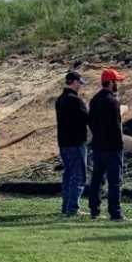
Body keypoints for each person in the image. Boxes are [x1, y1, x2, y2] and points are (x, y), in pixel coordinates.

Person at [86, 68, 126, 220]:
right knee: (115, 181)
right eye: (116, 82)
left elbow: (90, 122)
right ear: (110, 83)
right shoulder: (113, 101)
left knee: (97, 179)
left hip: (98, 145)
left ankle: (94, 210)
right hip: (112, 147)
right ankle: (115, 212)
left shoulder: (94, 100)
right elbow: (116, 126)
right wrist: (120, 144)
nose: (118, 85)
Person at [53, 70, 92, 217]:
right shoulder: (75, 101)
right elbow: (87, 118)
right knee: (78, 176)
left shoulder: (60, 100)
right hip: (76, 142)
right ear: (74, 82)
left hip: (64, 143)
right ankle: (72, 208)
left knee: (68, 175)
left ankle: (66, 206)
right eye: (79, 83)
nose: (80, 86)